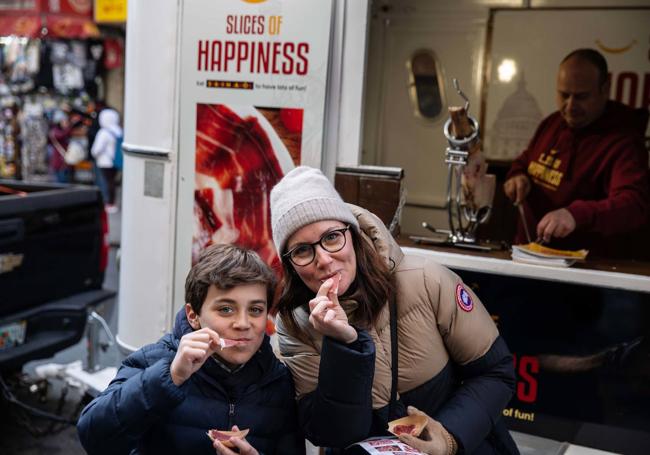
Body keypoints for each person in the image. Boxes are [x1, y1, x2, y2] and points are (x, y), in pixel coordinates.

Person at [269, 166, 518, 454]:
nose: (323, 259)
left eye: (332, 237)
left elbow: (496, 373)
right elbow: (332, 433)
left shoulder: (426, 280)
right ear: (289, 264)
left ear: (353, 234)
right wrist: (343, 345)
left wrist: (449, 437)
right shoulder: (294, 324)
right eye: (302, 250)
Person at [77, 244, 305, 455]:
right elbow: (93, 437)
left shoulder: (277, 380)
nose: (243, 323)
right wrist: (171, 376)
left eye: (255, 310)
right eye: (226, 309)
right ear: (193, 316)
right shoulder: (153, 361)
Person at [504, 48, 650, 257]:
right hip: (530, 256)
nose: (570, 106)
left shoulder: (624, 142)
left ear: (605, 89)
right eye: (564, 95)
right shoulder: (552, 123)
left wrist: (576, 215)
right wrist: (518, 176)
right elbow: (526, 159)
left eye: (581, 97)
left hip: (584, 268)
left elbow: (633, 204)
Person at [91, 108, 121, 213]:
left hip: (104, 162)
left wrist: (93, 154)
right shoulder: (119, 130)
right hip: (116, 161)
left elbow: (96, 149)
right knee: (112, 182)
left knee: (105, 182)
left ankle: (107, 203)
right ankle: (112, 203)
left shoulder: (103, 132)